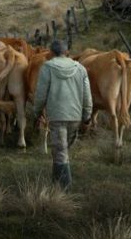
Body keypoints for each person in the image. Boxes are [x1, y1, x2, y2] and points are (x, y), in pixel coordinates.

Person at [33, 39, 92, 191]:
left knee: (60, 152)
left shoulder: (48, 67)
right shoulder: (81, 68)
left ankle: (64, 191)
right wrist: (87, 116)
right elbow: (87, 96)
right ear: (67, 52)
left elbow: (40, 94)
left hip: (57, 115)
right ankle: (57, 183)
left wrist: (36, 112)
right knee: (63, 151)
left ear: (51, 53)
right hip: (75, 116)